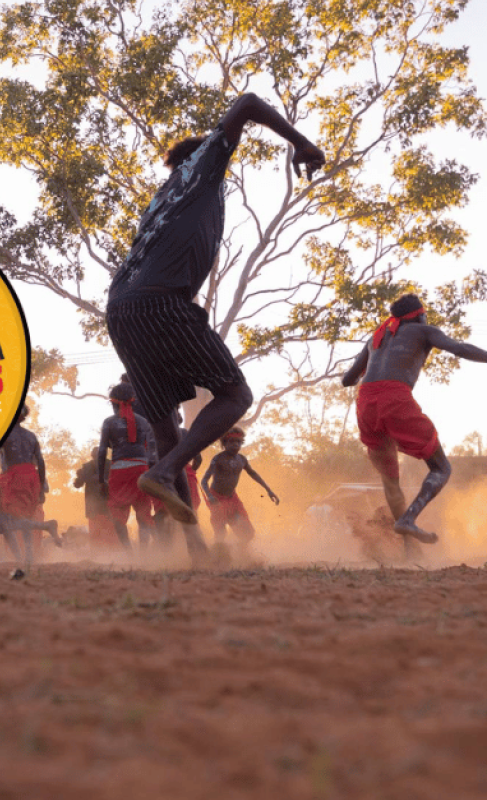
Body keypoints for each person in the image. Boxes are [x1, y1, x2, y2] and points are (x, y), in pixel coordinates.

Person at [105, 94, 325, 539]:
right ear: (201, 154)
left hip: (122, 309)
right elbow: (245, 104)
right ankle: (165, 472)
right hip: (161, 302)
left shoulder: (162, 197)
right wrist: (300, 143)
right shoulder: (200, 169)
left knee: (166, 425)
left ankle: (196, 549)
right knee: (235, 394)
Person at [341, 293, 487, 543]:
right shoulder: (424, 330)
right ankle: (408, 519)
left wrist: (377, 365)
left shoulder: (375, 338)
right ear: (419, 315)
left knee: (390, 479)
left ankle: (409, 547)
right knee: (441, 467)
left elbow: (347, 380)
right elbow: (459, 348)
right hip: (394, 398)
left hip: (365, 403)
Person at [0, 405, 61, 569]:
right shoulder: (31, 436)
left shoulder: (4, 435)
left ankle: (45, 527)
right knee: (25, 517)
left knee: (3, 522)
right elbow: (41, 462)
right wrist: (41, 486)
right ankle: (26, 556)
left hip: (12, 478)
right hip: (31, 477)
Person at [97, 383, 158, 550]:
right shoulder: (144, 422)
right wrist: (152, 475)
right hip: (141, 469)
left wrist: (101, 480)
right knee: (143, 512)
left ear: (113, 403)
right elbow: (152, 453)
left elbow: (102, 451)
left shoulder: (109, 423)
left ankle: (129, 552)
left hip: (119, 472)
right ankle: (143, 553)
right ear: (133, 402)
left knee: (117, 513)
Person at [201, 428, 279, 552]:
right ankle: (216, 557)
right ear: (224, 444)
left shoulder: (242, 459)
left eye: (238, 442)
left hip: (232, 498)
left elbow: (253, 474)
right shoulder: (218, 459)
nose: (235, 445)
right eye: (232, 442)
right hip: (217, 498)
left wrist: (269, 490)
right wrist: (210, 496)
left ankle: (240, 552)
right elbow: (204, 481)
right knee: (220, 533)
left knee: (248, 533)